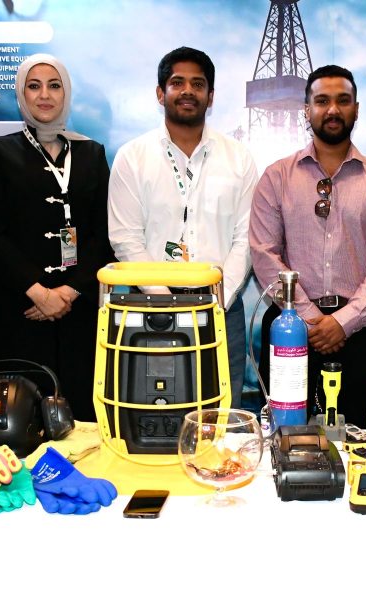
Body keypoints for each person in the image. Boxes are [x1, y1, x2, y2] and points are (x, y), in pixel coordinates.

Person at [251, 65, 366, 424]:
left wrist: (343, 322)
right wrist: (308, 318)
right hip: (288, 326)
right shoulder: (277, 176)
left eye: (342, 101)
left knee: (352, 436)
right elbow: (264, 253)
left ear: (356, 109)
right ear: (307, 110)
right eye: (322, 101)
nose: (332, 109)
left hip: (358, 331)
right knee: (285, 433)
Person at [109, 47, 257, 407]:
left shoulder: (239, 158)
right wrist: (164, 300)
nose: (188, 90)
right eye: (177, 82)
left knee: (223, 414)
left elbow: (247, 237)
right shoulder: (132, 156)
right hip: (149, 307)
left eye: (198, 84)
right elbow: (126, 237)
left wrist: (218, 298)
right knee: (152, 411)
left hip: (221, 307)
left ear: (211, 96)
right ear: (161, 93)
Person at [0, 54, 112, 420]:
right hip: (21, 309)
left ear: (66, 93)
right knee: (22, 415)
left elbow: (103, 233)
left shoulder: (91, 152)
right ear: (21, 94)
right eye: (33, 86)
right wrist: (39, 293)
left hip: (79, 309)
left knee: (82, 414)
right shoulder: (0, 152)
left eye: (54, 86)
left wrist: (68, 292)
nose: (44, 95)